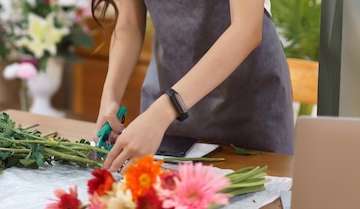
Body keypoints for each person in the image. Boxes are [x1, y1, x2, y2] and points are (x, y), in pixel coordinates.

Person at [91, 0, 294, 172]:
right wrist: (110, 98)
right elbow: (129, 24)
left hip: (247, 110)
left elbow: (246, 29)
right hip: (166, 111)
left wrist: (164, 110)